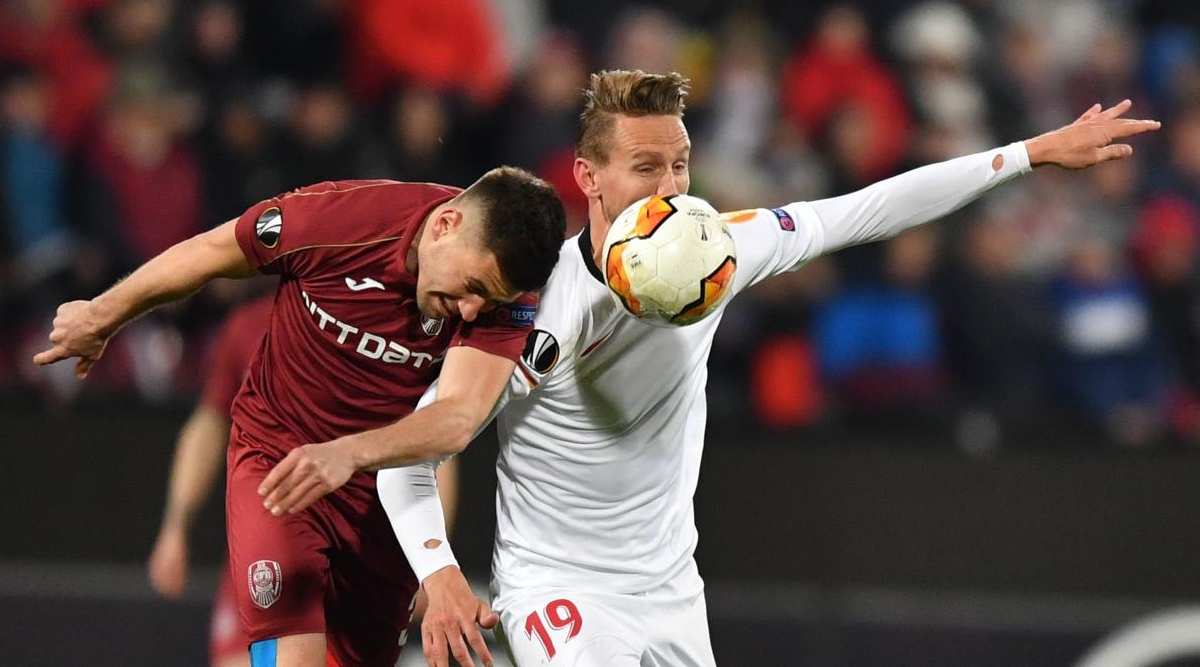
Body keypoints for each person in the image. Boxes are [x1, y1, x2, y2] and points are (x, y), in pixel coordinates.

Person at [266, 71, 1160, 667]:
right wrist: (440, 571)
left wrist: (1028, 154)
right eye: (645, 165)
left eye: (681, 162)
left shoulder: (722, 251)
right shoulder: (535, 308)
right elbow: (418, 449)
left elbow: (867, 209)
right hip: (557, 587)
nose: (668, 183)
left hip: (670, 587)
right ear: (589, 177)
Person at [35, 167, 567, 667]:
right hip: (278, 465)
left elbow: (455, 420)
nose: (473, 311)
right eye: (473, 287)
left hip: (377, 505)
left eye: (488, 300)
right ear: (447, 224)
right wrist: (100, 315)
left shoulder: (509, 296)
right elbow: (210, 254)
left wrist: (350, 457)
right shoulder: (338, 220)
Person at [146, 295, 465, 667]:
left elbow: (430, 447)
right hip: (273, 534)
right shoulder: (249, 326)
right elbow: (209, 425)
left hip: (365, 546)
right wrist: (175, 526)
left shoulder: (395, 329)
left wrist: (430, 561)